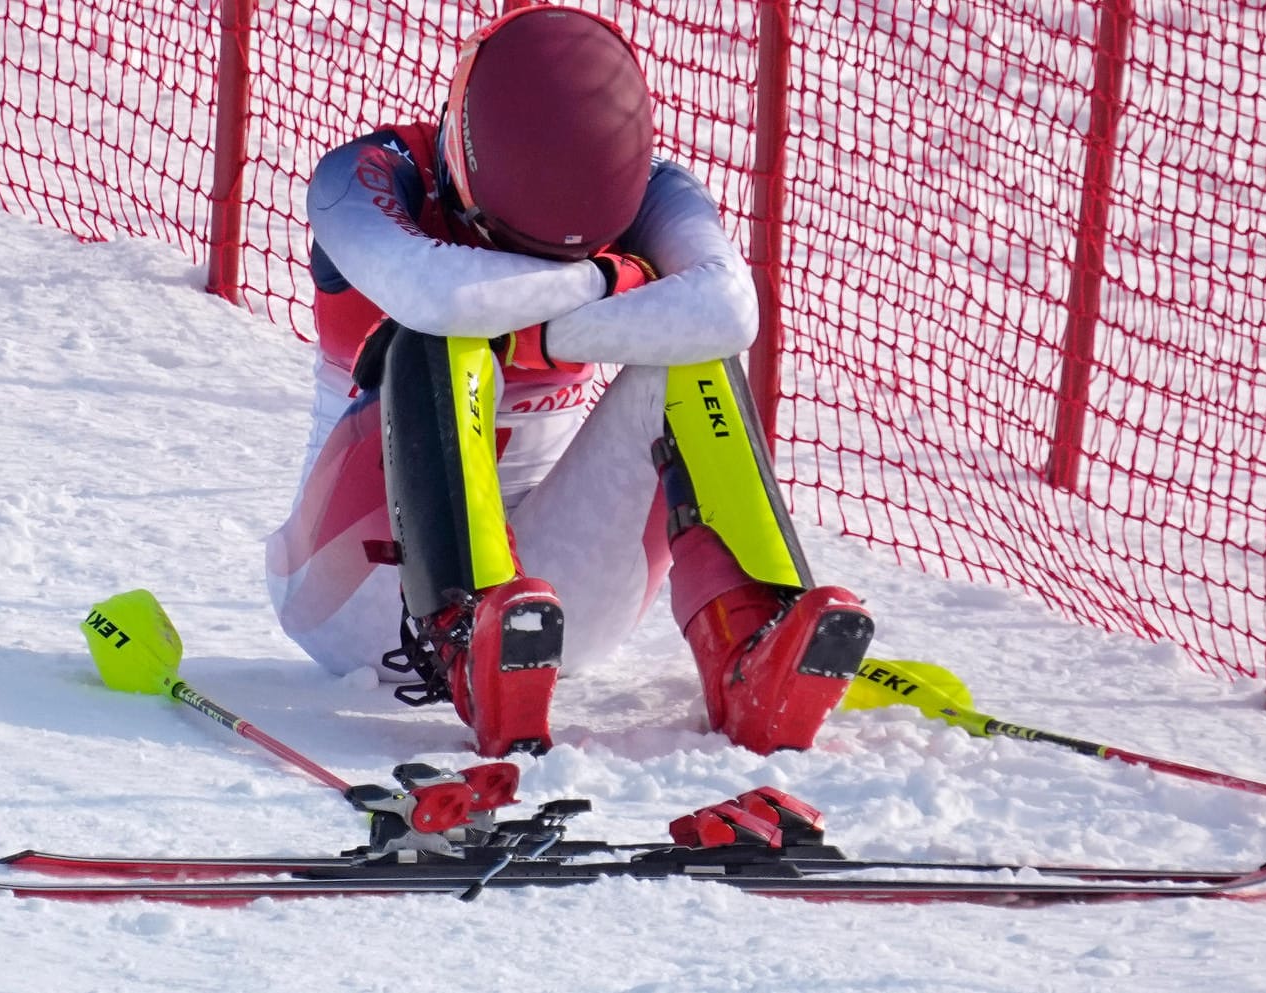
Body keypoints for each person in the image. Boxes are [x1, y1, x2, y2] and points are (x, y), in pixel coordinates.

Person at [266, 4, 874, 758]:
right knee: (441, 338)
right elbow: (443, 296)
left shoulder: (657, 188)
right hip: (359, 596)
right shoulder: (364, 176)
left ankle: (749, 642)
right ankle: (466, 630)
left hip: (551, 616)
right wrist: (610, 280)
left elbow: (727, 308)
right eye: (508, 243)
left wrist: (537, 316)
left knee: (692, 353)